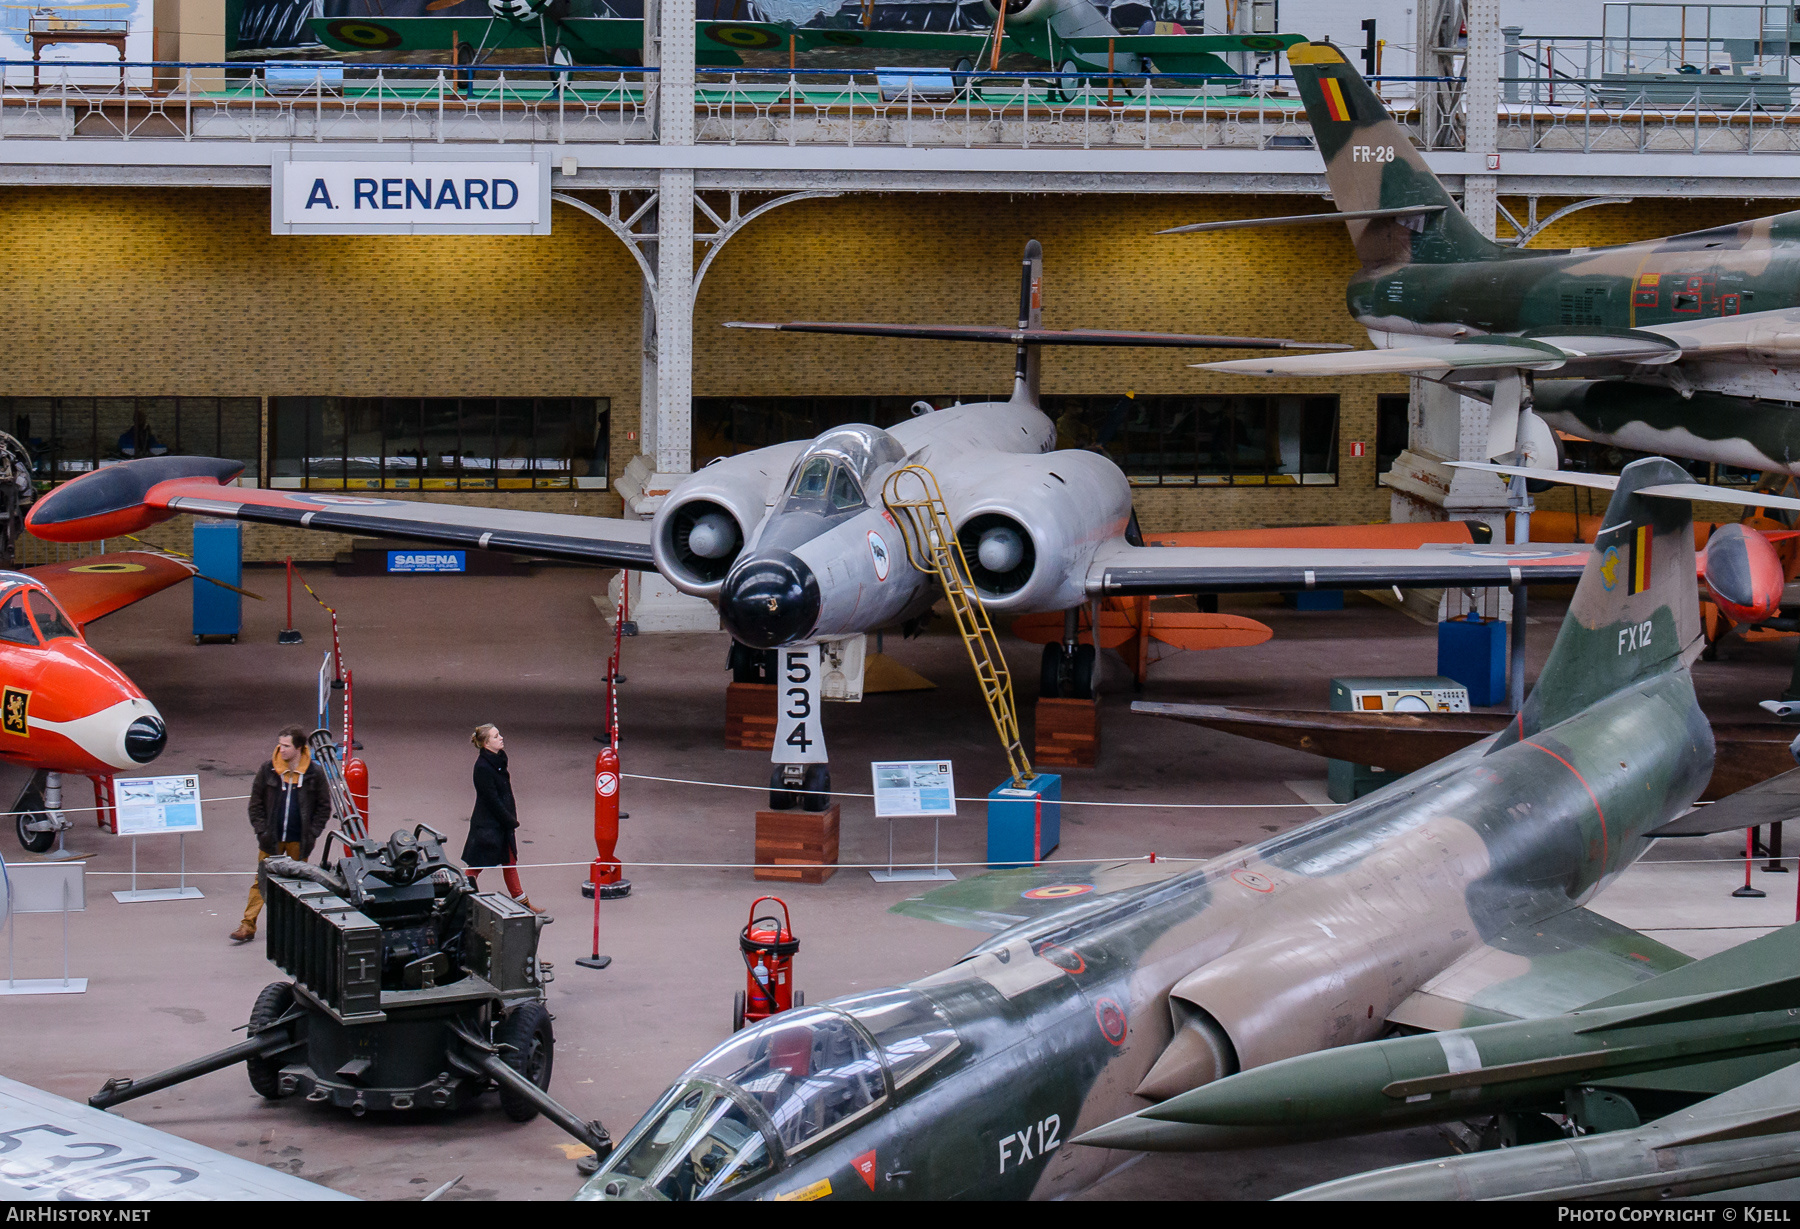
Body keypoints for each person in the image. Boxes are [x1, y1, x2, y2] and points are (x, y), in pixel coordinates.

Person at [231, 726, 331, 944]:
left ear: (299, 748)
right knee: (261, 881)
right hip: (271, 840)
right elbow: (255, 805)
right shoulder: (268, 770)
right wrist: (262, 832)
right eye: (280, 744)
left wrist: (312, 834)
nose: (281, 749)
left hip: (299, 841)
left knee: (296, 885)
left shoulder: (314, 774)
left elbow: (324, 807)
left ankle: (294, 929)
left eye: (286, 746)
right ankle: (247, 925)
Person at [463, 724, 544, 914]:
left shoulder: (497, 760)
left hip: (499, 824)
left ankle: (522, 902)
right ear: (486, 743)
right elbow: (492, 800)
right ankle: (462, 897)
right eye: (496, 736)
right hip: (489, 825)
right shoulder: (482, 767)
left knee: (509, 862)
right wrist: (509, 820)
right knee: (476, 866)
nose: (501, 738)